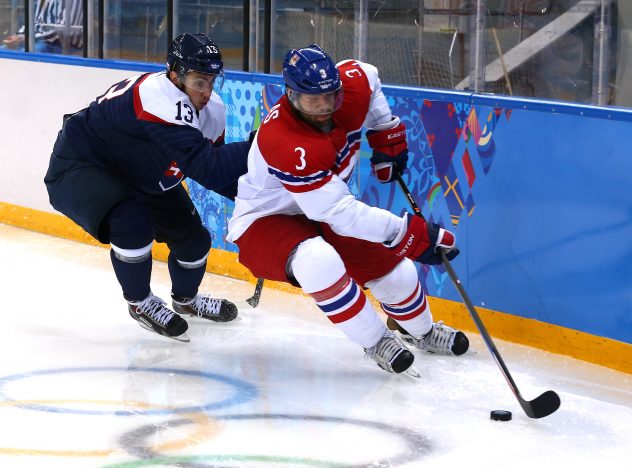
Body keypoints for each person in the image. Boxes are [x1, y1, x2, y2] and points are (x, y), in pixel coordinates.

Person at [227, 44, 469, 374]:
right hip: (266, 220)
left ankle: (423, 332)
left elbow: (367, 74)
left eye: (331, 96)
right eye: (314, 100)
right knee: (318, 261)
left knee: (399, 275)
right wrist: (403, 233)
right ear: (291, 95)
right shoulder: (284, 140)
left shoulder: (351, 85)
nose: (325, 106)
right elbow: (339, 213)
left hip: (323, 210)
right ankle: (376, 341)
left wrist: (386, 130)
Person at [44, 33, 249, 342]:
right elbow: (208, 166)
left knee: (194, 240)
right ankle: (140, 303)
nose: (206, 91)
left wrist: (257, 200)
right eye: (198, 82)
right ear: (175, 75)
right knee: (131, 223)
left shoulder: (212, 110)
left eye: (211, 81)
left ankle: (186, 300)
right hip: (83, 163)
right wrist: (261, 147)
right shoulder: (157, 98)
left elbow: (216, 172)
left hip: (140, 170)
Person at [2, 0, 83, 54]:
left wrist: (26, 38)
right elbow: (33, 21)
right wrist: (18, 36)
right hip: (37, 41)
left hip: (61, 46)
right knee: (3, 51)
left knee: (28, 55)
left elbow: (63, 30)